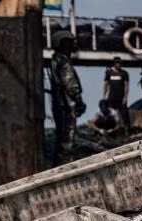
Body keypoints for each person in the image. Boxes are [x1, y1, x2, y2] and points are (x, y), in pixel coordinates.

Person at [49, 30, 85, 167]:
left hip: (59, 103)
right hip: (66, 104)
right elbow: (71, 85)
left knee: (61, 137)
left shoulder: (55, 60)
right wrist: (79, 101)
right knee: (67, 139)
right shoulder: (63, 62)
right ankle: (65, 167)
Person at [103, 56, 130, 134]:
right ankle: (111, 131)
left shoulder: (124, 73)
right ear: (114, 64)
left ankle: (127, 130)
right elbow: (105, 84)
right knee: (111, 115)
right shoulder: (109, 72)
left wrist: (125, 97)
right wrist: (104, 96)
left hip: (121, 98)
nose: (118, 64)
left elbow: (126, 86)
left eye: (120, 63)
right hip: (111, 98)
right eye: (117, 63)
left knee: (124, 115)